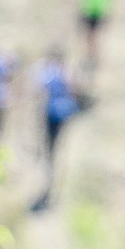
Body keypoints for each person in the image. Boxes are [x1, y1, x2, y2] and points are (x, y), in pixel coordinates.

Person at [31, 48, 85, 213]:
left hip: (51, 114)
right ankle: (56, 177)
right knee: (58, 147)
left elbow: (40, 91)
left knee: (50, 148)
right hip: (63, 113)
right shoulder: (67, 72)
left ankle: (51, 173)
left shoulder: (49, 73)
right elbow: (77, 91)